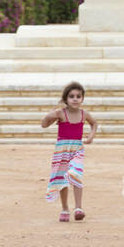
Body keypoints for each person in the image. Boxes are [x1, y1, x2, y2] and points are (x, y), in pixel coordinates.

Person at [42, 81, 97, 221]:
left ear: (82, 99)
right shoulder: (60, 113)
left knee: (76, 174)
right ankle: (65, 208)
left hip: (77, 149)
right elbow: (44, 125)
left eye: (78, 96)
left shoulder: (84, 114)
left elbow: (94, 123)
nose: (75, 99)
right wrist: (50, 115)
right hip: (61, 150)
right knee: (62, 178)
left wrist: (90, 136)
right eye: (71, 96)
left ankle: (78, 208)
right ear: (66, 98)